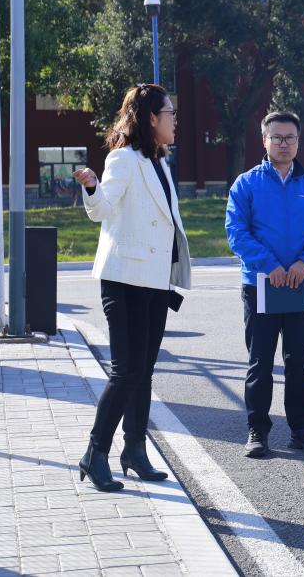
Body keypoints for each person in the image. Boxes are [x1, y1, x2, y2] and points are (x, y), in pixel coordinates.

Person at [73, 83, 192, 492]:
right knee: (125, 371)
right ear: (151, 118)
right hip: (124, 279)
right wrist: (92, 187)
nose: (175, 120)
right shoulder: (122, 158)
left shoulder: (159, 161)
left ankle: (135, 451)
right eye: (170, 112)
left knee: (144, 371)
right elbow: (103, 210)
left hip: (154, 281)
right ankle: (95, 453)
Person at [226, 111, 304, 459]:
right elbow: (236, 233)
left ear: (298, 141)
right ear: (264, 140)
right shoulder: (246, 184)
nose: (283, 144)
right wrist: (269, 265)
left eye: (290, 138)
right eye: (277, 137)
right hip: (260, 285)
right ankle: (257, 430)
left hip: (300, 284)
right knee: (260, 361)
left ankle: (302, 429)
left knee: (298, 360)